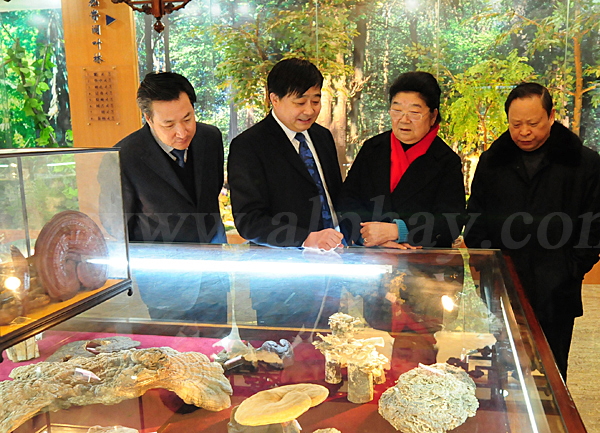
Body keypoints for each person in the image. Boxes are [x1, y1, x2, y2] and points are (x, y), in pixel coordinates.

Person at [465, 82, 600, 379]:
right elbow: (475, 221)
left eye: (533, 123)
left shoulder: (584, 164)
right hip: (502, 287)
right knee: (502, 372)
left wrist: (570, 269)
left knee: (551, 374)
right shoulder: (492, 163)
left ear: (551, 116)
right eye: (516, 124)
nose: (524, 132)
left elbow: (593, 229)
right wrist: (490, 269)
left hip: (557, 291)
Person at [338, 71, 465, 248]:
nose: (404, 120)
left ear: (433, 116)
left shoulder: (446, 161)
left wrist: (399, 231)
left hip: (421, 259)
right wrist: (370, 237)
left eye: (414, 112)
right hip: (371, 253)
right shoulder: (372, 149)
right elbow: (347, 200)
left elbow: (451, 221)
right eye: (397, 110)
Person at [228, 58, 344, 250]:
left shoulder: (322, 136)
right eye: (300, 102)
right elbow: (249, 221)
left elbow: (337, 197)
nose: (310, 110)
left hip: (337, 250)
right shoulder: (249, 146)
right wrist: (306, 239)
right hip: (284, 258)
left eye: (316, 101)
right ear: (274, 99)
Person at [114, 71, 226, 243]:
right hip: (159, 251)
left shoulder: (210, 137)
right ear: (149, 119)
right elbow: (117, 224)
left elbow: (213, 188)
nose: (182, 133)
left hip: (212, 239)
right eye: (169, 125)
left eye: (187, 119)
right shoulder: (124, 156)